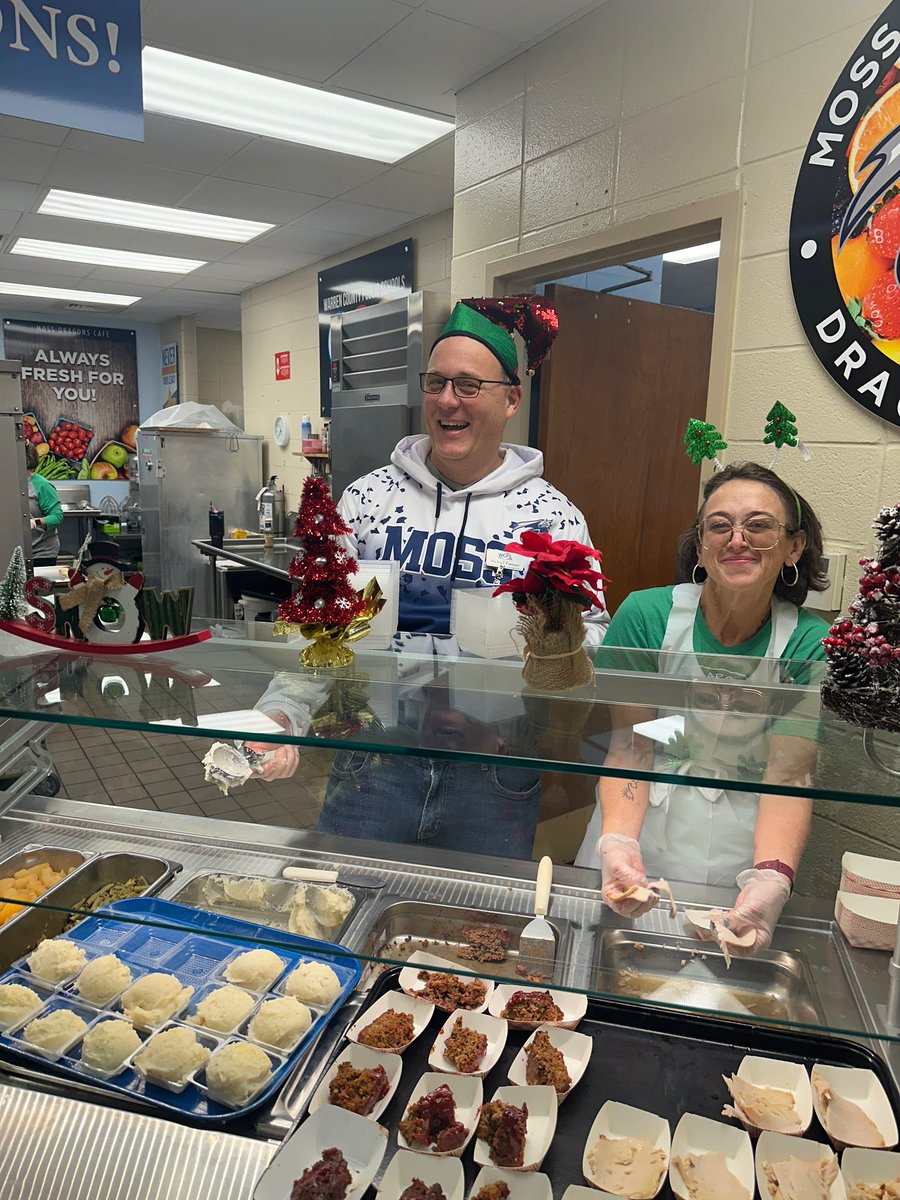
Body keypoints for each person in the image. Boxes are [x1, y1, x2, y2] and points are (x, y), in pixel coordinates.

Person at [252, 296, 608, 858]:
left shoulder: (554, 518)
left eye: (468, 385)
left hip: (495, 772)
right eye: (436, 382)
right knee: (341, 902)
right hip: (375, 761)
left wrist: (556, 650)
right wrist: (284, 710)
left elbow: (593, 639)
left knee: (478, 931)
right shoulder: (367, 501)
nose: (447, 400)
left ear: (511, 398)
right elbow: (321, 627)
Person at [577, 461, 829, 955]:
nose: (737, 539)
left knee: (719, 988)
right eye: (719, 526)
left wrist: (772, 879)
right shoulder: (646, 617)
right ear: (700, 545)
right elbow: (632, 746)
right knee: (605, 968)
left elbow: (789, 776)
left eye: (759, 525)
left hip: (747, 848)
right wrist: (620, 845)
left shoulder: (809, 643)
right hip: (640, 820)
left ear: (794, 547)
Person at [25, 442, 63, 565]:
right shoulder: (10, 483)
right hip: (20, 551)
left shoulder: (42, 485)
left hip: (41, 552)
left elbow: (57, 516)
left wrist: (34, 522)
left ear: (25, 461)